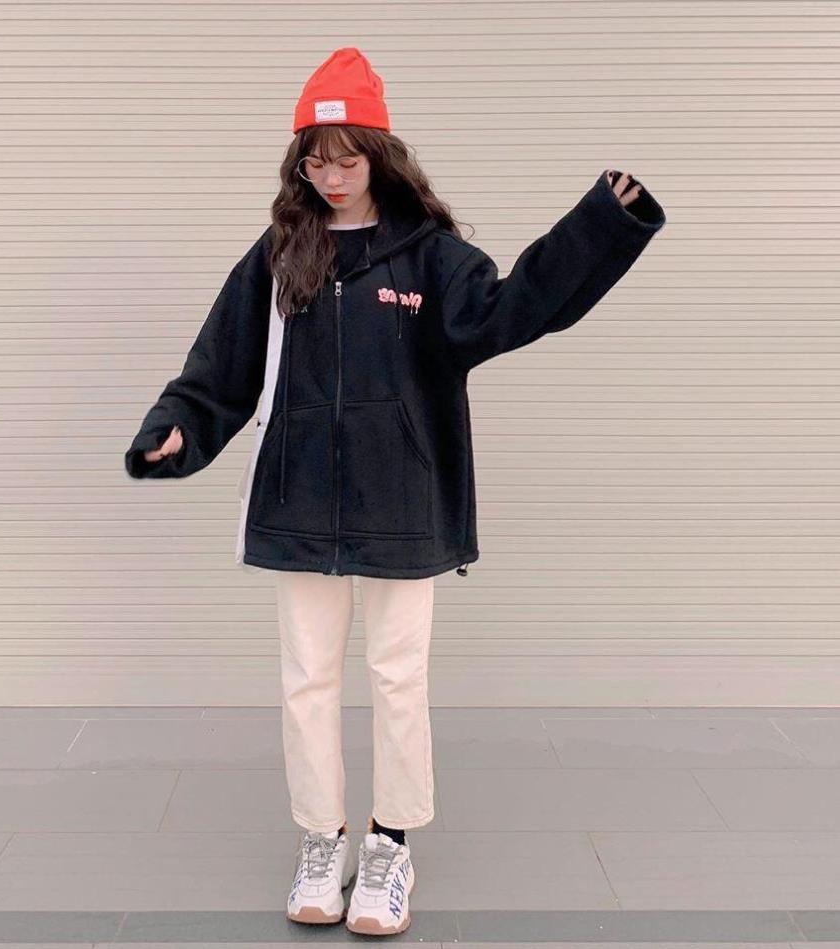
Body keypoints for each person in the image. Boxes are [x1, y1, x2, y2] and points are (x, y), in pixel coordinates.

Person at [125, 46, 666, 936]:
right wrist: (175, 428)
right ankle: (321, 839)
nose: (331, 177)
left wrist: (600, 225)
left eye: (346, 158)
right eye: (316, 161)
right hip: (299, 503)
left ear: (378, 154)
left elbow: (516, 307)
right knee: (306, 680)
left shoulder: (430, 258)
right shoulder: (278, 257)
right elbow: (220, 368)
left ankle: (388, 845)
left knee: (397, 680)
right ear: (299, 165)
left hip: (401, 503)